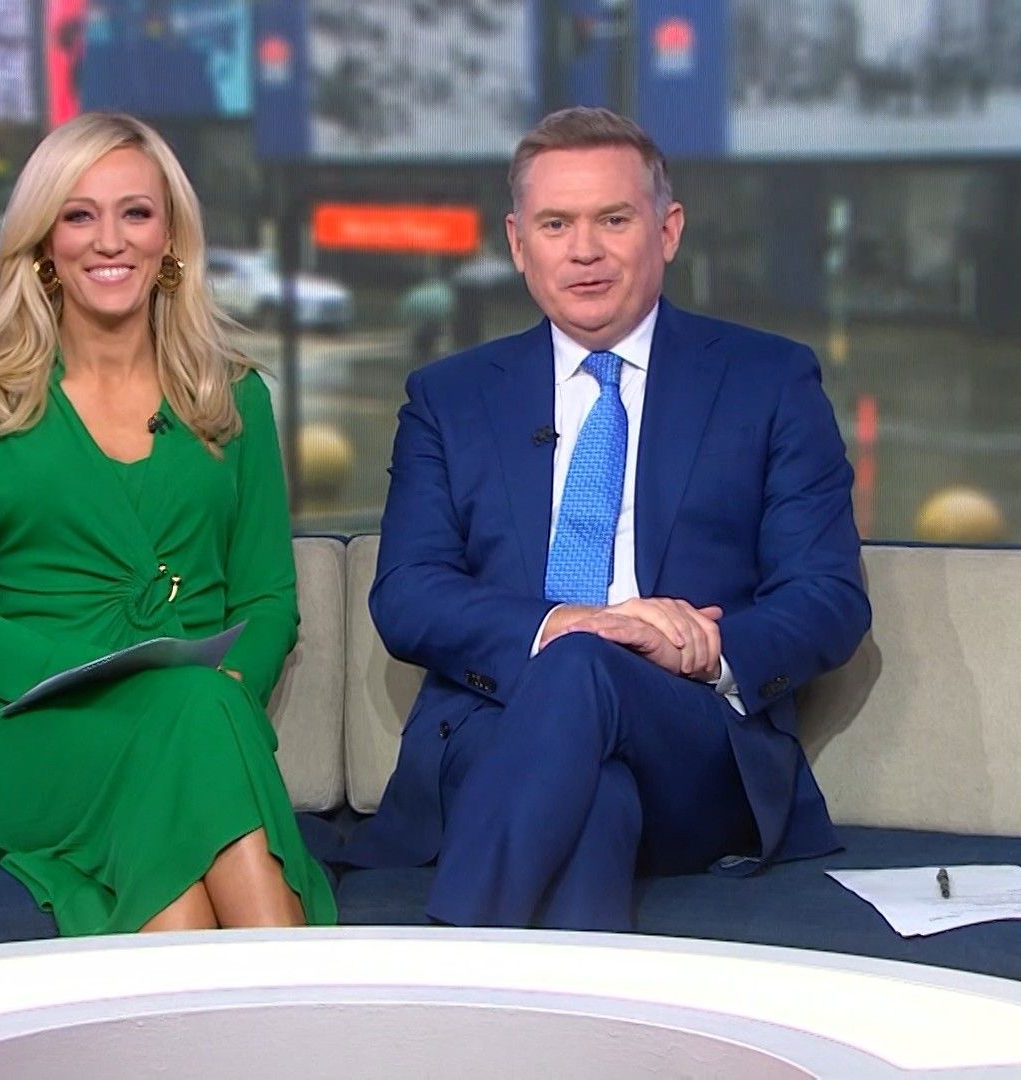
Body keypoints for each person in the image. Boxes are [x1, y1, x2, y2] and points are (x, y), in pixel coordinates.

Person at [344, 107, 870, 931]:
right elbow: (408, 593)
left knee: (587, 669)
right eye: (556, 224)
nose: (583, 250)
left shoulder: (767, 381)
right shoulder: (451, 397)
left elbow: (828, 597)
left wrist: (701, 648)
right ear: (519, 243)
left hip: (690, 735)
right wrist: (569, 624)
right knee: (593, 793)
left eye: (613, 220)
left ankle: (452, 964)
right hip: (497, 725)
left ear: (668, 230)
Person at [0, 112, 336, 935]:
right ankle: (305, 1002)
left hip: (194, 724)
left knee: (176, 870)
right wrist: (115, 680)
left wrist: (221, 691)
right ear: (45, 241)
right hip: (25, 735)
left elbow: (267, 602)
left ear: (168, 236)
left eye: (135, 213)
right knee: (193, 720)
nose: (110, 240)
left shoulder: (234, 400)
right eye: (79, 215)